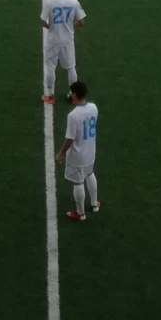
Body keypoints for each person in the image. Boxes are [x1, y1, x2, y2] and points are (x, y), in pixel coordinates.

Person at [56, 80, 100, 222]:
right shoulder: (93, 108)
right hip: (90, 152)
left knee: (78, 182)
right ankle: (94, 204)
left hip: (77, 156)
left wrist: (60, 153)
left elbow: (70, 139)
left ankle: (80, 214)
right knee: (90, 173)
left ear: (74, 95)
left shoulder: (73, 115)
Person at [41, 0, 86, 102]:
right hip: (67, 40)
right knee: (71, 67)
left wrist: (52, 27)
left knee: (50, 66)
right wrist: (71, 25)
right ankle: (73, 94)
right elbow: (81, 22)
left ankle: (50, 95)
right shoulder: (74, 2)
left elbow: (43, 21)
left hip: (53, 40)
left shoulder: (49, 3)